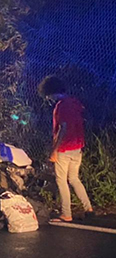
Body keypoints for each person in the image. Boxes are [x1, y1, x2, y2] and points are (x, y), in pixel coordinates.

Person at [39, 75, 93, 222]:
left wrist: (54, 150)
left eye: (48, 96)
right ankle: (88, 207)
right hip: (77, 147)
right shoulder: (75, 103)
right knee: (74, 178)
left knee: (61, 180)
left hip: (64, 148)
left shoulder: (60, 106)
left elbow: (62, 128)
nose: (48, 99)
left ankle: (66, 213)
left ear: (50, 92)